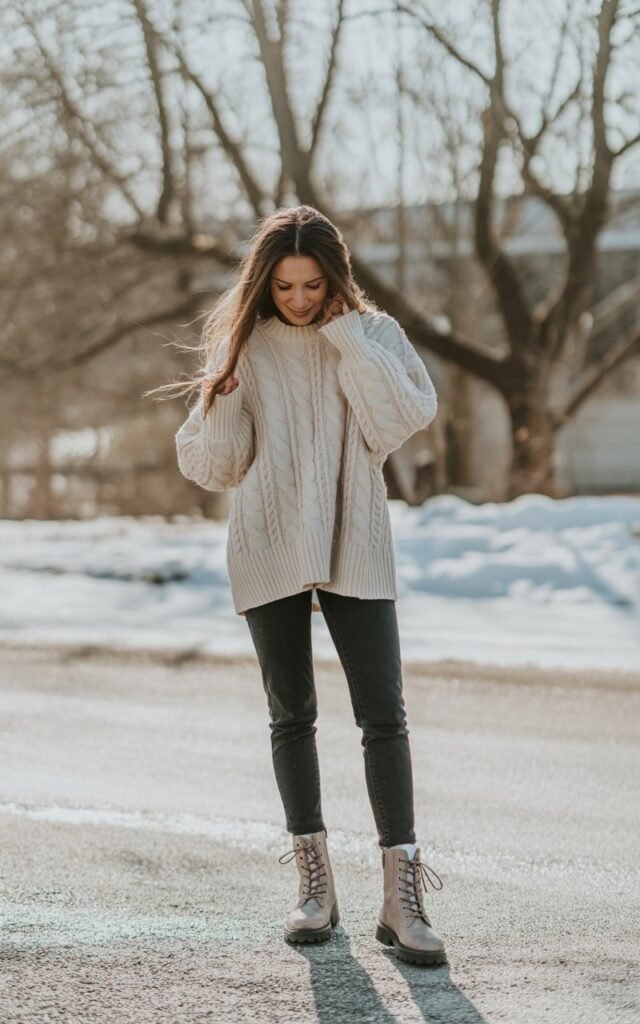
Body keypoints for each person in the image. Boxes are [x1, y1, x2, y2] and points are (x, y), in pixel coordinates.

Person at [172, 205, 447, 965]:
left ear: (336, 277)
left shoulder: (373, 335)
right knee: (291, 714)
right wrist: (224, 407)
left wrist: (345, 336)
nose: (296, 299)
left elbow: (400, 418)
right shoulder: (244, 346)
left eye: (311, 284)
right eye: (285, 286)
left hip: (353, 536)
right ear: (266, 283)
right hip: (268, 540)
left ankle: (401, 897)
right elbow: (214, 467)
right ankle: (315, 888)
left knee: (383, 713)